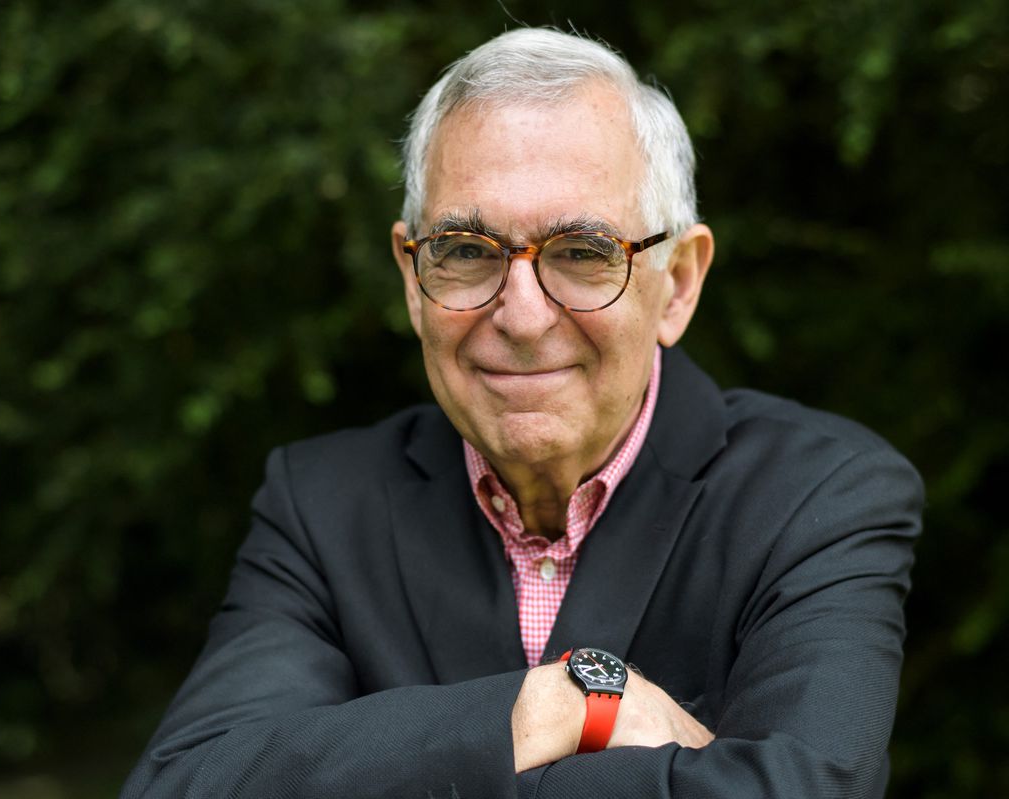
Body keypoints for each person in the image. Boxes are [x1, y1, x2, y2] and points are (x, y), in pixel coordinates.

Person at [121, 27, 922, 798]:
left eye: (581, 253)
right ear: (412, 275)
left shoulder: (819, 496)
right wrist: (560, 707)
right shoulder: (323, 504)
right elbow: (186, 782)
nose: (523, 315)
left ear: (677, 283)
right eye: (467, 250)